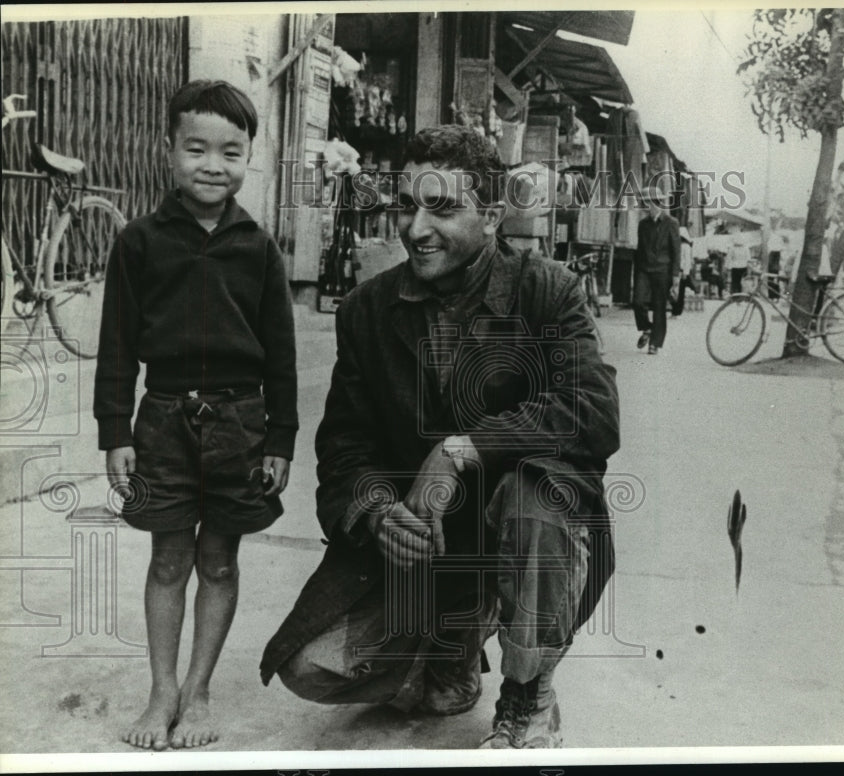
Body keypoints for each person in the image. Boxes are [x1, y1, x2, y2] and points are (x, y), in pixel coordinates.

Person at [260, 124, 620, 749]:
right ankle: (453, 643)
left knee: (539, 490)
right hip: (428, 550)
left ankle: (529, 696)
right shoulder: (366, 311)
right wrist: (375, 513)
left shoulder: (549, 291)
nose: (416, 228)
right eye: (408, 204)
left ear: (492, 214)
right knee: (311, 665)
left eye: (443, 207)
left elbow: (590, 411)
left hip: (527, 536)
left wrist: (462, 448)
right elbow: (345, 449)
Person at [94, 80, 298, 750]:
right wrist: (115, 433)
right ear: (168, 151)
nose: (213, 164)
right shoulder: (139, 243)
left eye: (231, 152)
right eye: (196, 148)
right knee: (166, 561)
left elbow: (282, 356)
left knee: (218, 562)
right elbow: (118, 347)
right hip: (161, 422)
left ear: (248, 160)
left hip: (242, 424)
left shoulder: (260, 249)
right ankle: (161, 692)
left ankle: (200, 691)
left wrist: (281, 438)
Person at [633, 190, 681, 354]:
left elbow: (676, 251)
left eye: (647, 203)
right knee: (638, 301)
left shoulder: (671, 222)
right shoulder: (643, 224)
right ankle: (647, 328)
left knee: (659, 307)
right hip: (644, 269)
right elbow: (640, 250)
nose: (644, 207)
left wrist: (675, 277)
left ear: (655, 203)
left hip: (663, 271)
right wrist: (636, 272)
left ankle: (655, 343)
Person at [670, 226, 698, 316]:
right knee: (674, 291)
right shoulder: (677, 245)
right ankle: (674, 309)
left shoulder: (686, 246)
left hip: (681, 272)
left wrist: (686, 272)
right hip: (675, 271)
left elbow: (687, 261)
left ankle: (677, 311)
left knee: (680, 292)